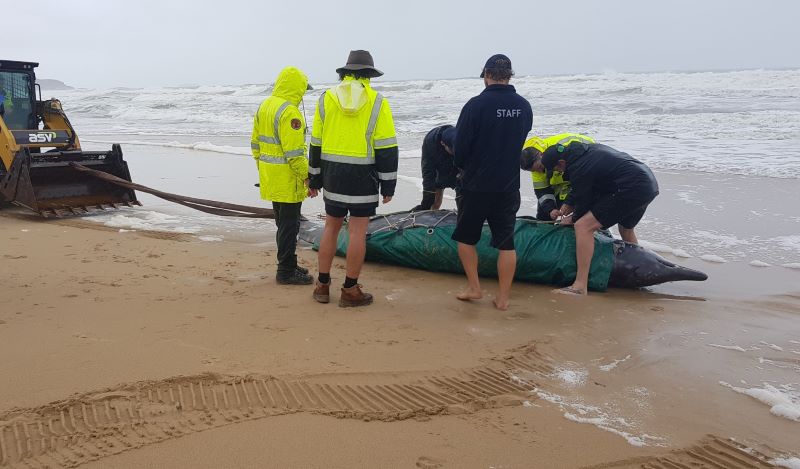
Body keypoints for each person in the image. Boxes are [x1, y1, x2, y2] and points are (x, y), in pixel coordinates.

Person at [308, 50, 399, 307]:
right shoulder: (377, 101)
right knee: (358, 233)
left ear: (346, 72)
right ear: (369, 74)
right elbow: (386, 146)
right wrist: (388, 183)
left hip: (333, 174)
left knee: (331, 227)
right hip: (363, 176)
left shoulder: (325, 99)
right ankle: (349, 290)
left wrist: (314, 178)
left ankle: (322, 285)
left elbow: (316, 142)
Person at [451, 54, 533, 311]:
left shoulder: (475, 106)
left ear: (486, 75)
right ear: (509, 75)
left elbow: (460, 149)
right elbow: (520, 139)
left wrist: (463, 167)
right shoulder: (524, 106)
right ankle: (503, 298)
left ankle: (475, 288)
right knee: (506, 242)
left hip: (475, 184)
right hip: (508, 185)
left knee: (466, 238)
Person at [542, 142, 659, 296]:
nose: (559, 172)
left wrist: (572, 218)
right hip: (647, 183)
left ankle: (579, 285)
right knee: (625, 228)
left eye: (558, 169)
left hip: (631, 187)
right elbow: (584, 188)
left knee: (583, 226)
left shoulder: (579, 166)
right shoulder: (585, 152)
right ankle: (635, 271)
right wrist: (568, 205)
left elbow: (584, 199)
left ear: (562, 163)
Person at [250, 66, 314, 285]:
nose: (304, 95)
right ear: (297, 87)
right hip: (287, 180)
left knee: (283, 224)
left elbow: (255, 145)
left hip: (270, 177)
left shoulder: (265, 105)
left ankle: (289, 263)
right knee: (289, 226)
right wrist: (308, 177)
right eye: (303, 90)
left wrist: (264, 170)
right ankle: (285, 271)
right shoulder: (290, 112)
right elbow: (294, 154)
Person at [520, 133, 595, 221]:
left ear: (541, 154)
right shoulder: (536, 166)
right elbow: (542, 192)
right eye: (534, 171)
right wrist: (551, 210)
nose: (540, 172)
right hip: (561, 180)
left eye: (540, 167)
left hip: (585, 163)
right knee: (544, 214)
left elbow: (581, 184)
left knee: (582, 209)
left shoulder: (561, 149)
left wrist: (569, 203)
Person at [412, 125, 459, 211]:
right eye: (452, 150)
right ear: (443, 143)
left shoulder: (461, 139)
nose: (454, 152)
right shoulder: (430, 142)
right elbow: (428, 172)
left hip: (457, 171)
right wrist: (428, 194)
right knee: (434, 202)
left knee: (463, 201)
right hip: (438, 171)